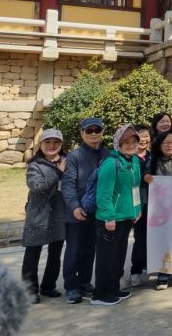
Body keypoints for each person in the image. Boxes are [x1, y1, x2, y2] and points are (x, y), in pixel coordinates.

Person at [92, 124, 142, 306]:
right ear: (118, 144)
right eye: (126, 142)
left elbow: (134, 188)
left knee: (118, 256)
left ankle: (113, 288)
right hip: (111, 219)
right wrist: (108, 217)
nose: (130, 145)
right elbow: (104, 193)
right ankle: (100, 294)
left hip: (127, 217)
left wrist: (137, 210)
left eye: (134, 141)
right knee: (106, 258)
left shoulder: (134, 161)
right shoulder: (110, 163)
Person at [62, 116, 110, 304]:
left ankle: (84, 282)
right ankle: (71, 286)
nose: (93, 134)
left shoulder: (108, 155)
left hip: (97, 211)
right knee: (74, 250)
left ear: (102, 132)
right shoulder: (74, 156)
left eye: (96, 130)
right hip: (78, 211)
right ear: (82, 133)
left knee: (90, 250)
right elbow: (67, 184)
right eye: (88, 131)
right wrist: (74, 206)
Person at [21, 129, 66, 304]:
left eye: (56, 142)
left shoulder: (66, 161)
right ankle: (29, 290)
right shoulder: (35, 165)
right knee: (32, 254)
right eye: (47, 142)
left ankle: (48, 286)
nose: (52, 146)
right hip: (38, 214)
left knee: (55, 254)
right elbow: (37, 186)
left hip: (59, 213)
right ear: (41, 145)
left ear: (61, 145)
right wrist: (58, 172)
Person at [144, 130, 172, 290]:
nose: (170, 145)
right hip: (160, 209)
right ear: (159, 144)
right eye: (166, 142)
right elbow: (143, 177)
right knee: (162, 239)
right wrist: (146, 178)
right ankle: (163, 274)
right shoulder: (153, 161)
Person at [126, 125, 153, 289]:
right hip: (134, 203)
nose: (143, 139)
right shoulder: (128, 157)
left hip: (155, 203)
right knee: (139, 238)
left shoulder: (154, 157)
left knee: (151, 237)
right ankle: (135, 272)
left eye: (146, 135)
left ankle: (147, 267)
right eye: (140, 136)